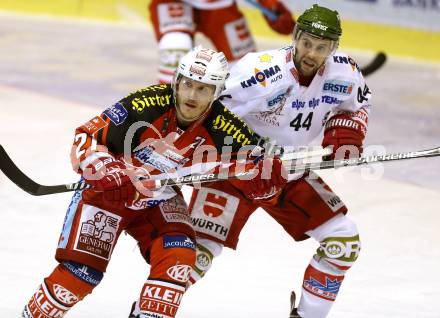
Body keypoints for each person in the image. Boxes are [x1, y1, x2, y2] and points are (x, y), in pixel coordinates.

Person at [21, 46, 286, 318]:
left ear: (216, 93)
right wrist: (109, 170)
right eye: (188, 85)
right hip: (109, 194)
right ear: (176, 82)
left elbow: (259, 167)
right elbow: (86, 138)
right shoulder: (145, 105)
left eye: (203, 89)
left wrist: (267, 183)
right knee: (79, 276)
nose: (192, 96)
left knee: (179, 259)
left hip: (159, 197)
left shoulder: (225, 127)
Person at [187, 4, 371, 318]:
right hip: (236, 169)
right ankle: (150, 310)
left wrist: (348, 129)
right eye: (306, 43)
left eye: (321, 47)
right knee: (197, 256)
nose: (311, 53)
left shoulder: (346, 73)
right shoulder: (259, 71)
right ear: (295, 37)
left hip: (288, 169)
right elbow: (205, 110)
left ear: (333, 48)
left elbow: (357, 105)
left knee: (343, 241)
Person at [148, 0, 296, 83]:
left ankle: (243, 124)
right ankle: (166, 112)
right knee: (175, 44)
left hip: (219, 6)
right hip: (173, 1)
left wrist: (270, 5)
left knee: (246, 68)